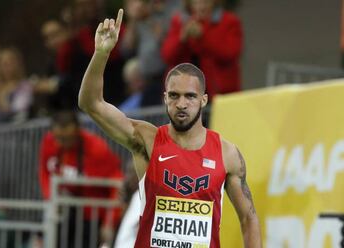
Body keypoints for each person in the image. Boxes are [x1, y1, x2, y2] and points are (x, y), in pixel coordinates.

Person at [78, 9, 261, 247]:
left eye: (190, 96)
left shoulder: (227, 154)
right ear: (165, 98)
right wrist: (101, 53)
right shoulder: (147, 139)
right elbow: (90, 103)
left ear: (203, 100)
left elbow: (249, 217)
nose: (181, 104)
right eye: (174, 96)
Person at [38, 110, 123, 246]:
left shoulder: (97, 149)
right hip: (65, 212)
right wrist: (50, 198)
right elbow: (44, 173)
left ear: (78, 132)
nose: (61, 143)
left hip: (92, 215)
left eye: (67, 138)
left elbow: (117, 186)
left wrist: (109, 222)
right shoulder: (49, 141)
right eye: (58, 138)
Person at [161, 0, 243, 100]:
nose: (201, 6)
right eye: (196, 2)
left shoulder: (229, 21)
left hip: (220, 95)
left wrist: (203, 37)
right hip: (184, 95)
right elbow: (167, 56)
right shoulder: (179, 21)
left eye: (205, 2)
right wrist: (182, 38)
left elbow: (229, 53)